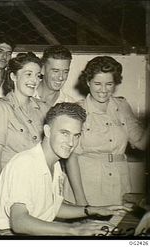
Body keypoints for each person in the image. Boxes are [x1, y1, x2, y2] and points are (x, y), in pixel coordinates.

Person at [0, 102, 131, 236]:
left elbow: (53, 208)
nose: (71, 143)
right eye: (65, 133)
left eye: (76, 135)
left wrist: (94, 210)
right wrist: (74, 229)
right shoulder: (25, 164)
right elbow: (19, 222)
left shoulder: (55, 165)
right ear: (47, 131)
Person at [66, 56, 149, 206]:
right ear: (87, 82)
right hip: (87, 187)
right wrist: (81, 201)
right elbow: (71, 158)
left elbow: (141, 143)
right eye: (97, 83)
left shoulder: (122, 106)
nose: (103, 90)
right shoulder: (77, 110)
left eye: (109, 84)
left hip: (119, 187)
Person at [0, 52, 49, 196]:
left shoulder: (44, 109)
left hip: (37, 186)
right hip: (9, 186)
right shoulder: (1, 108)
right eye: (28, 74)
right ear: (13, 76)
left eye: (38, 75)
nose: (35, 80)